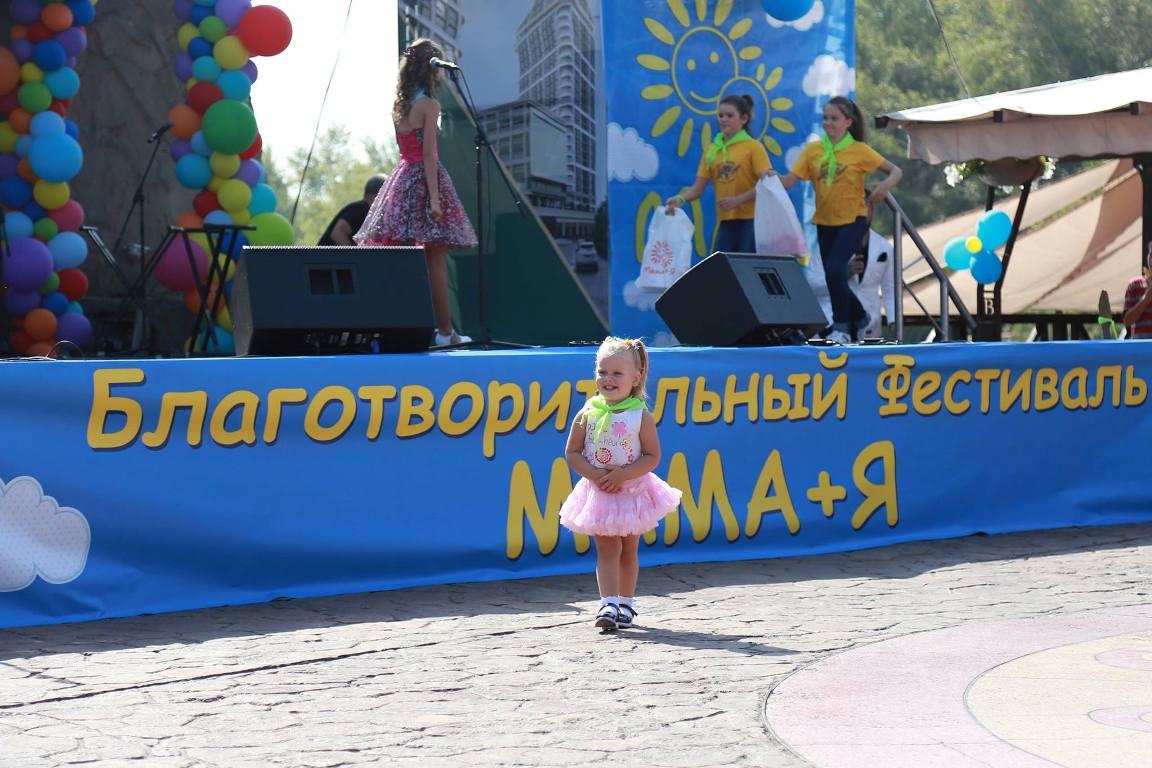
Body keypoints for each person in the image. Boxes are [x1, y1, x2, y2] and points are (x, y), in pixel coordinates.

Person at [355, 38, 476, 347]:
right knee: (435, 261)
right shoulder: (430, 106)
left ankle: (402, 329)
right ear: (430, 68)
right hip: (424, 180)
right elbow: (429, 155)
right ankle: (446, 332)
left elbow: (409, 152)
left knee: (404, 261)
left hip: (402, 180)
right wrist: (435, 199)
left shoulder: (401, 107)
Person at [559, 337, 682, 632]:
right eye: (602, 372)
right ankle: (608, 603)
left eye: (617, 373)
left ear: (636, 378)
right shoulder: (588, 413)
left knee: (628, 547)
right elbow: (572, 452)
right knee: (607, 546)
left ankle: (626, 603)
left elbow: (652, 456)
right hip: (600, 491)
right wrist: (595, 475)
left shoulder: (640, 415)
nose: (608, 379)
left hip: (631, 491)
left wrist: (623, 475)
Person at [777, 96, 903, 344]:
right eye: (825, 118)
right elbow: (789, 181)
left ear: (848, 121)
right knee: (832, 275)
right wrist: (768, 177)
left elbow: (896, 171)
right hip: (825, 222)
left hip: (853, 219)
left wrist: (883, 187)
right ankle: (861, 317)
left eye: (834, 118)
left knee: (835, 269)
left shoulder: (858, 150)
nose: (828, 123)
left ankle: (842, 327)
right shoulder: (813, 151)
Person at [664, 94, 773, 254]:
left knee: (745, 266)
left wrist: (738, 200)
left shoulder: (753, 147)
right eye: (720, 115)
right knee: (722, 265)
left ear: (744, 119)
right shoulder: (712, 150)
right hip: (726, 220)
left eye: (729, 115)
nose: (723, 120)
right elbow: (697, 189)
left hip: (752, 220)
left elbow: (767, 184)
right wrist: (680, 199)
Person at [318, 174, 388, 246]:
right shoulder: (360, 209)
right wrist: (354, 252)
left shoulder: (362, 210)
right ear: (376, 196)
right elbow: (337, 233)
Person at [1122, 241, 1152, 339]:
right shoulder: (1135, 284)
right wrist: (1145, 300)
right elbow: (1127, 322)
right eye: (1151, 254)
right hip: (1141, 347)